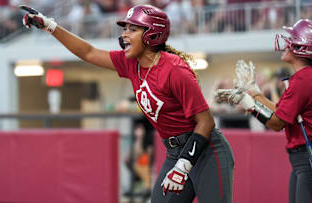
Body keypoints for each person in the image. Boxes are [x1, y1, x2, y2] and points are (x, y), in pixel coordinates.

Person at [21, 4, 234, 203]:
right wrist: (50, 26)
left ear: (152, 34)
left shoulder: (175, 70)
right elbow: (89, 52)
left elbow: (206, 122)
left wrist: (183, 166)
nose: (124, 34)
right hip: (174, 151)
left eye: (132, 29)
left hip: (206, 151)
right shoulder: (131, 63)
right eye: (126, 29)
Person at [216, 19, 312, 203]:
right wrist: (255, 93)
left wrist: (248, 104)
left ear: (303, 47)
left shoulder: (304, 79)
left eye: (293, 39)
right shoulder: (306, 76)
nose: (287, 43)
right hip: (306, 159)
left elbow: (276, 123)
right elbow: (281, 111)